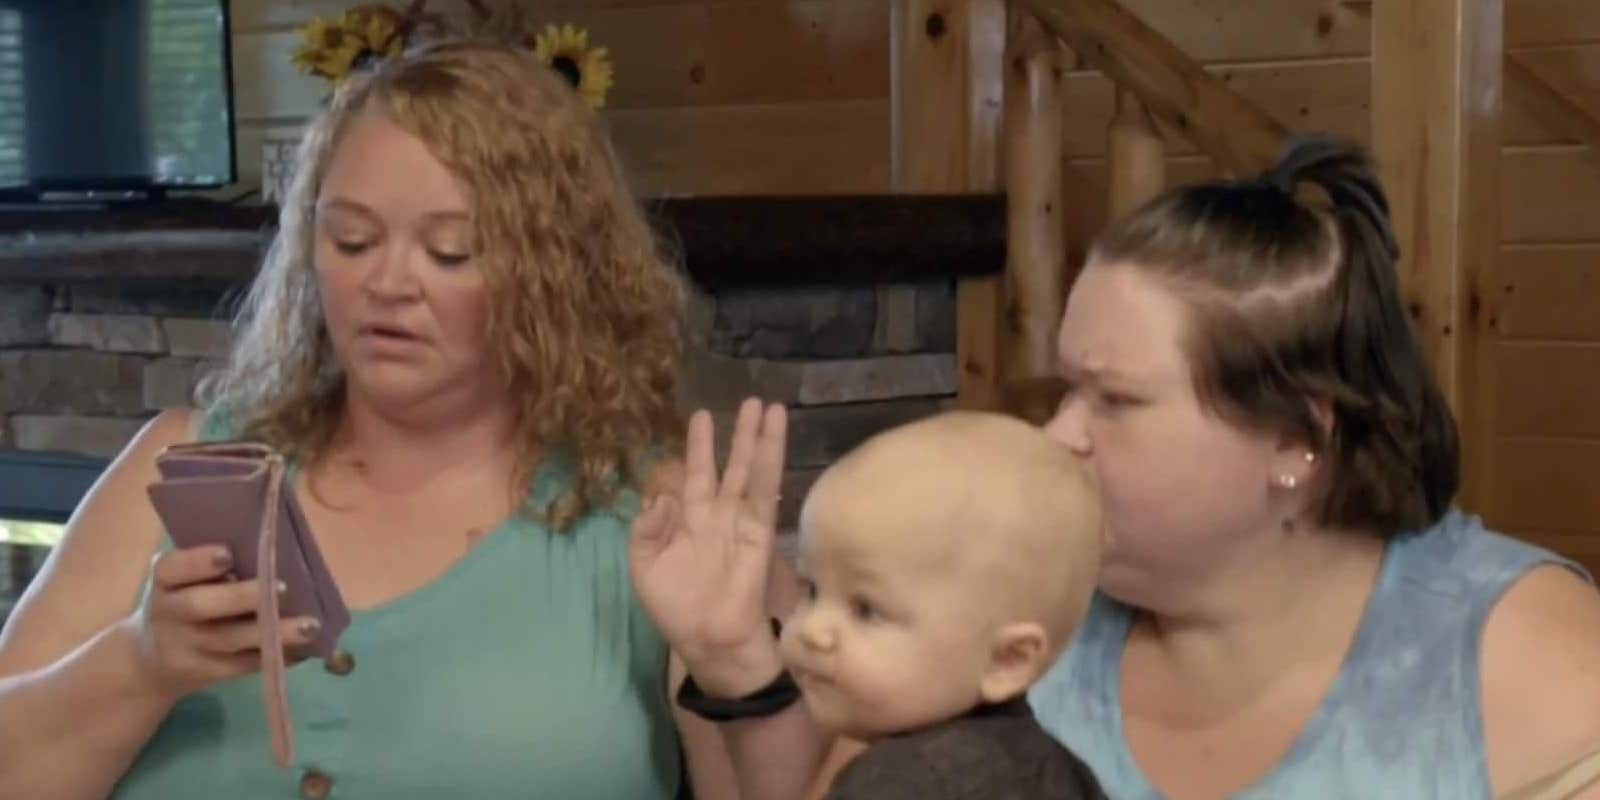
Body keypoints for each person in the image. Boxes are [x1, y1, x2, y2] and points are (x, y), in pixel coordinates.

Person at [633, 136, 1600, 800]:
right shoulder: (1021, 596)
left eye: (1117, 400)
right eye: (1065, 389)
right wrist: (735, 664)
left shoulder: (1518, 653)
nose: (1060, 434)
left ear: (1297, 442)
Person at [0, 40, 799, 799]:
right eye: (351, 239)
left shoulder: (661, 517)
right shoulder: (179, 467)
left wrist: (736, 664)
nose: (386, 283)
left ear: (554, 277)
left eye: (450, 252)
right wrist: (142, 663)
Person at [784, 411, 1107, 798]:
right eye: (812, 591)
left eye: (866, 610)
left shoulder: (899, 784)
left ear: (1008, 659)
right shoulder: (1062, 772)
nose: (812, 630)